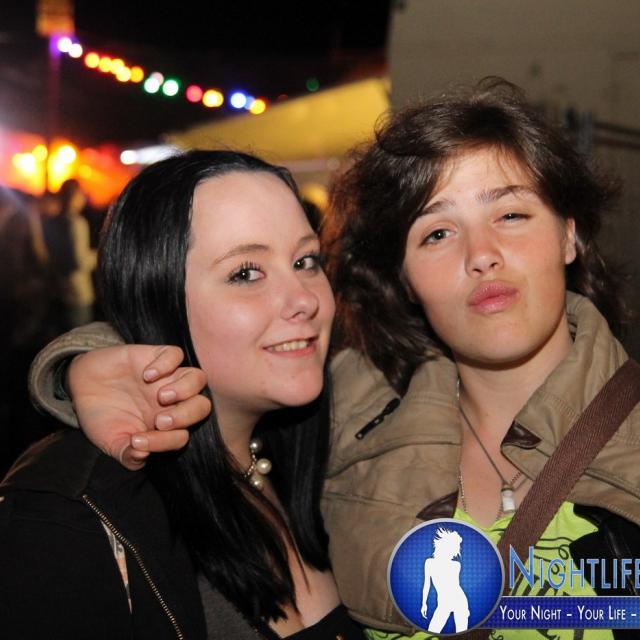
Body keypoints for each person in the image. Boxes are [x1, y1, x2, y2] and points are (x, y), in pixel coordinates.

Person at [22, 80, 640, 640]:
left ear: (569, 233)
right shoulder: (353, 415)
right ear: (402, 275)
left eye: (511, 214)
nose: (482, 254)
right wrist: (90, 362)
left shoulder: (310, 430)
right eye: (437, 233)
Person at [0, 150, 366, 640]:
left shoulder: (327, 449)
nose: (304, 299)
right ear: (158, 296)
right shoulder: (68, 521)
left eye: (305, 261)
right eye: (246, 272)